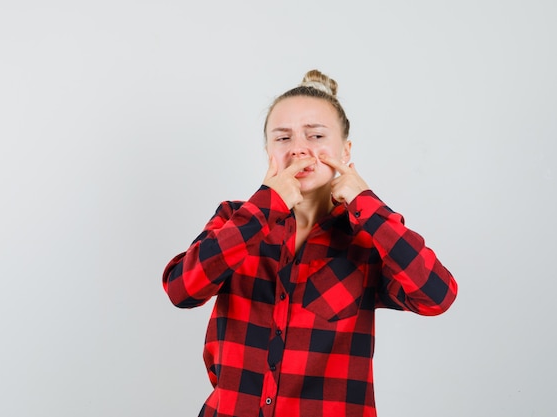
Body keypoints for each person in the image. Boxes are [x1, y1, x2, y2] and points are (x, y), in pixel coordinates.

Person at [162, 69, 458, 417]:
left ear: (346, 151)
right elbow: (182, 290)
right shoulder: (234, 220)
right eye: (283, 138)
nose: (299, 149)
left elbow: (437, 295)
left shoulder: (366, 239)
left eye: (316, 135)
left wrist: (366, 204)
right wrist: (265, 205)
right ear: (268, 150)